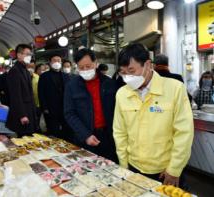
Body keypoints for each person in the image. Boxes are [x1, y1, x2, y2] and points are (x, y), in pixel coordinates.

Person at [113, 43, 193, 187]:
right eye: (123, 72)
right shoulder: (122, 94)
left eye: (131, 70)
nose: (127, 77)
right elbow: (120, 132)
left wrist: (174, 168)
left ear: (148, 65)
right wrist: (124, 165)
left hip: (165, 171)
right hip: (134, 167)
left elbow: (184, 132)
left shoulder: (174, 89)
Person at [64, 48, 118, 162]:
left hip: (108, 136)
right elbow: (69, 113)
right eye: (81, 68)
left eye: (88, 66)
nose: (85, 70)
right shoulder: (71, 86)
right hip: (84, 136)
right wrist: (85, 135)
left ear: (96, 63)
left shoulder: (109, 83)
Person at [6, 44, 37, 137]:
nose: (29, 57)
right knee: (24, 140)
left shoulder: (25, 70)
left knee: (30, 139)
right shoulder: (14, 71)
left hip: (29, 110)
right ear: (19, 55)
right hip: (22, 114)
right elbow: (16, 95)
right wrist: (22, 115)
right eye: (26, 54)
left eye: (30, 54)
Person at [38, 54, 71, 140]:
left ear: (61, 62)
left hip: (64, 108)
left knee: (66, 131)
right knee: (53, 131)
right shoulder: (44, 76)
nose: (56, 62)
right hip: (50, 109)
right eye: (54, 60)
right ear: (50, 62)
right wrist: (44, 107)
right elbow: (41, 93)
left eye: (58, 60)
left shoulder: (66, 76)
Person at [28, 65, 41, 132]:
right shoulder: (22, 76)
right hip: (27, 103)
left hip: (37, 102)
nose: (30, 69)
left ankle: (36, 129)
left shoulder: (37, 77)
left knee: (36, 118)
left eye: (32, 67)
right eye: (29, 67)